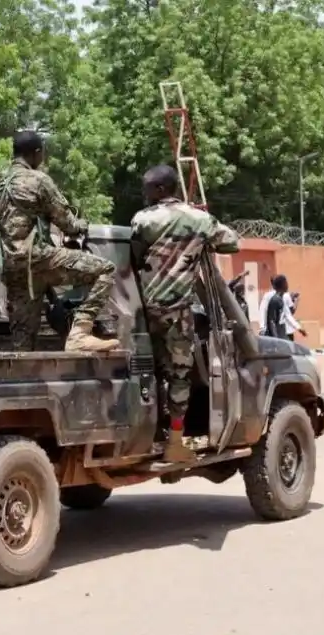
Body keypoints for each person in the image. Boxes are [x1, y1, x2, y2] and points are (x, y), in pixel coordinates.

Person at [130, 165, 240, 462]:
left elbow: (134, 255)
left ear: (161, 190)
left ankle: (152, 435)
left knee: (148, 372)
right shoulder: (199, 219)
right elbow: (231, 242)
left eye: (148, 189)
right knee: (180, 376)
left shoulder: (143, 220)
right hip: (179, 311)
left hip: (144, 311)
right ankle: (176, 442)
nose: (145, 194)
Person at [0, 130, 119, 353]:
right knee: (105, 270)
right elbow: (66, 223)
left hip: (13, 268)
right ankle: (79, 333)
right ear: (36, 153)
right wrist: (81, 225)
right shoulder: (38, 180)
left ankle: (23, 381)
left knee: (23, 337)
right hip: (39, 259)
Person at [261, 275, 305, 341]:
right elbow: (271, 321)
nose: (287, 285)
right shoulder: (275, 300)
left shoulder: (282, 299)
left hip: (281, 330)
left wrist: (299, 328)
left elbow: (288, 315)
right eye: (286, 283)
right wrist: (275, 338)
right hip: (275, 332)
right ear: (282, 285)